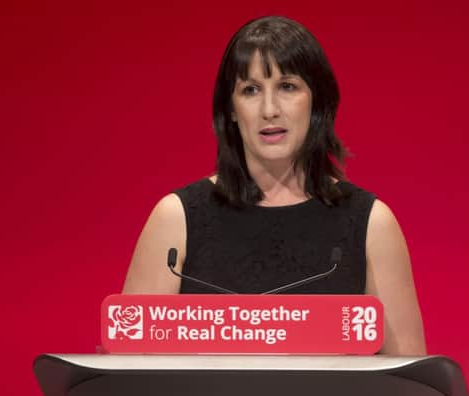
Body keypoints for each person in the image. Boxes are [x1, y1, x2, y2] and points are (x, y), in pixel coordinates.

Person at [122, 16, 426, 356]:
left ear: (316, 103)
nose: (269, 110)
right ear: (232, 110)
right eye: (250, 90)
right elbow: (129, 383)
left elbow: (409, 390)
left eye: (287, 87)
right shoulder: (175, 220)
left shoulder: (371, 224)